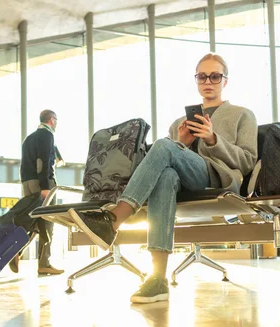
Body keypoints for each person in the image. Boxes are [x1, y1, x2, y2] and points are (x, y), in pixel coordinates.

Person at [69, 53, 258, 304]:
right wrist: (182, 143)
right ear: (196, 81)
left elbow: (246, 162)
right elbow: (168, 160)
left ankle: (115, 218)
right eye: (202, 76)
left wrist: (213, 140)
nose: (208, 81)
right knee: (166, 175)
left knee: (162, 145)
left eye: (215, 76)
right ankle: (158, 278)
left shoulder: (242, 115)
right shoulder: (181, 122)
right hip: (184, 179)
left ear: (225, 81)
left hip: (217, 177)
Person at [11, 109, 64, 276]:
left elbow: (27, 163)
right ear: (52, 120)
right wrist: (45, 185)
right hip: (42, 183)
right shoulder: (47, 135)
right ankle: (44, 263)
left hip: (27, 182)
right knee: (48, 222)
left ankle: (15, 251)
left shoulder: (29, 138)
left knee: (34, 222)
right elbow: (44, 162)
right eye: (56, 120)